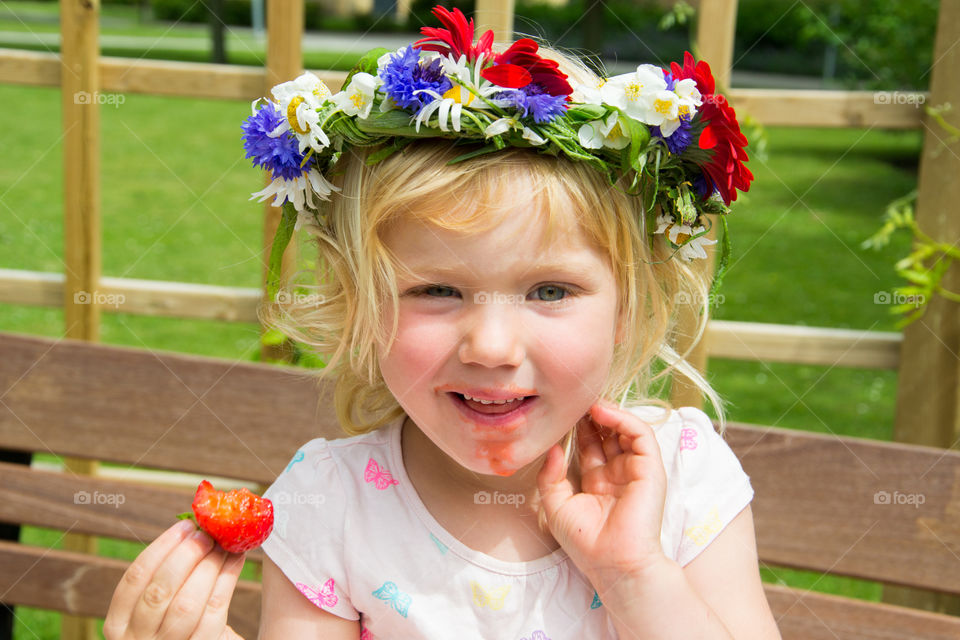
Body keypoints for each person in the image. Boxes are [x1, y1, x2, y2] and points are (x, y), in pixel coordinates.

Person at [104, 6, 779, 639]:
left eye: (549, 290)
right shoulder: (329, 507)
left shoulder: (684, 482)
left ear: (629, 304)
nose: (490, 347)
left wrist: (635, 577)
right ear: (361, 305)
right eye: (437, 290)